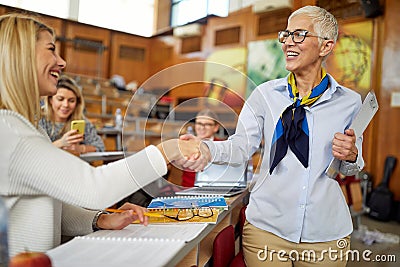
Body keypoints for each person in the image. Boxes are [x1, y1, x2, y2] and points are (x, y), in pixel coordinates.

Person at [0, 13, 199, 257]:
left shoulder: (27, 126)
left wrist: (100, 219)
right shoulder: (9, 132)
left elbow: (50, 207)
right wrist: (166, 151)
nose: (61, 62)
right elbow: (93, 187)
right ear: (20, 55)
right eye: (51, 50)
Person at [182, 6, 363, 266]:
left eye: (299, 34)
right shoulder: (264, 95)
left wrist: (352, 154)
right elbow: (241, 147)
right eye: (286, 34)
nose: (288, 41)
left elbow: (350, 166)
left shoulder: (350, 102)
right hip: (266, 229)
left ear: (326, 46)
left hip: (325, 234)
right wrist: (208, 149)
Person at [39, 74, 105, 154]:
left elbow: (100, 147)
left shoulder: (82, 121)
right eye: (60, 99)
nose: (66, 105)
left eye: (71, 101)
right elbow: (34, 152)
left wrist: (81, 149)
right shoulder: (39, 120)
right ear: (50, 100)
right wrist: (61, 143)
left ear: (77, 103)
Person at [181, 109, 223, 187]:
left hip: (214, 190)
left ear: (216, 127)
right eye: (199, 123)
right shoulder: (186, 143)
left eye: (207, 124)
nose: (202, 127)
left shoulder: (222, 146)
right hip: (188, 190)